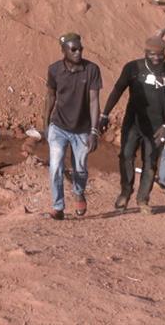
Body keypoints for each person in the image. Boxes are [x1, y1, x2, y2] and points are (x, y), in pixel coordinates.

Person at [100, 37, 165, 213]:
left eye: (160, 54)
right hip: (133, 122)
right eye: (153, 54)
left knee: (150, 162)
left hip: (157, 127)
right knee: (126, 156)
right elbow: (117, 90)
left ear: (164, 54)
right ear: (145, 53)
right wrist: (104, 113)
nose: (157, 58)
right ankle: (125, 192)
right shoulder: (133, 68)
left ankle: (143, 199)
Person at [42, 33, 102, 220]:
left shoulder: (91, 70)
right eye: (73, 49)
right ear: (64, 51)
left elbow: (94, 101)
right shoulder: (54, 70)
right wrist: (45, 124)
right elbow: (50, 96)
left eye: (80, 49)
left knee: (81, 168)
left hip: (82, 128)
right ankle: (58, 206)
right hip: (58, 126)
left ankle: (78, 191)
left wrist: (94, 130)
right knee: (55, 166)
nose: (78, 52)